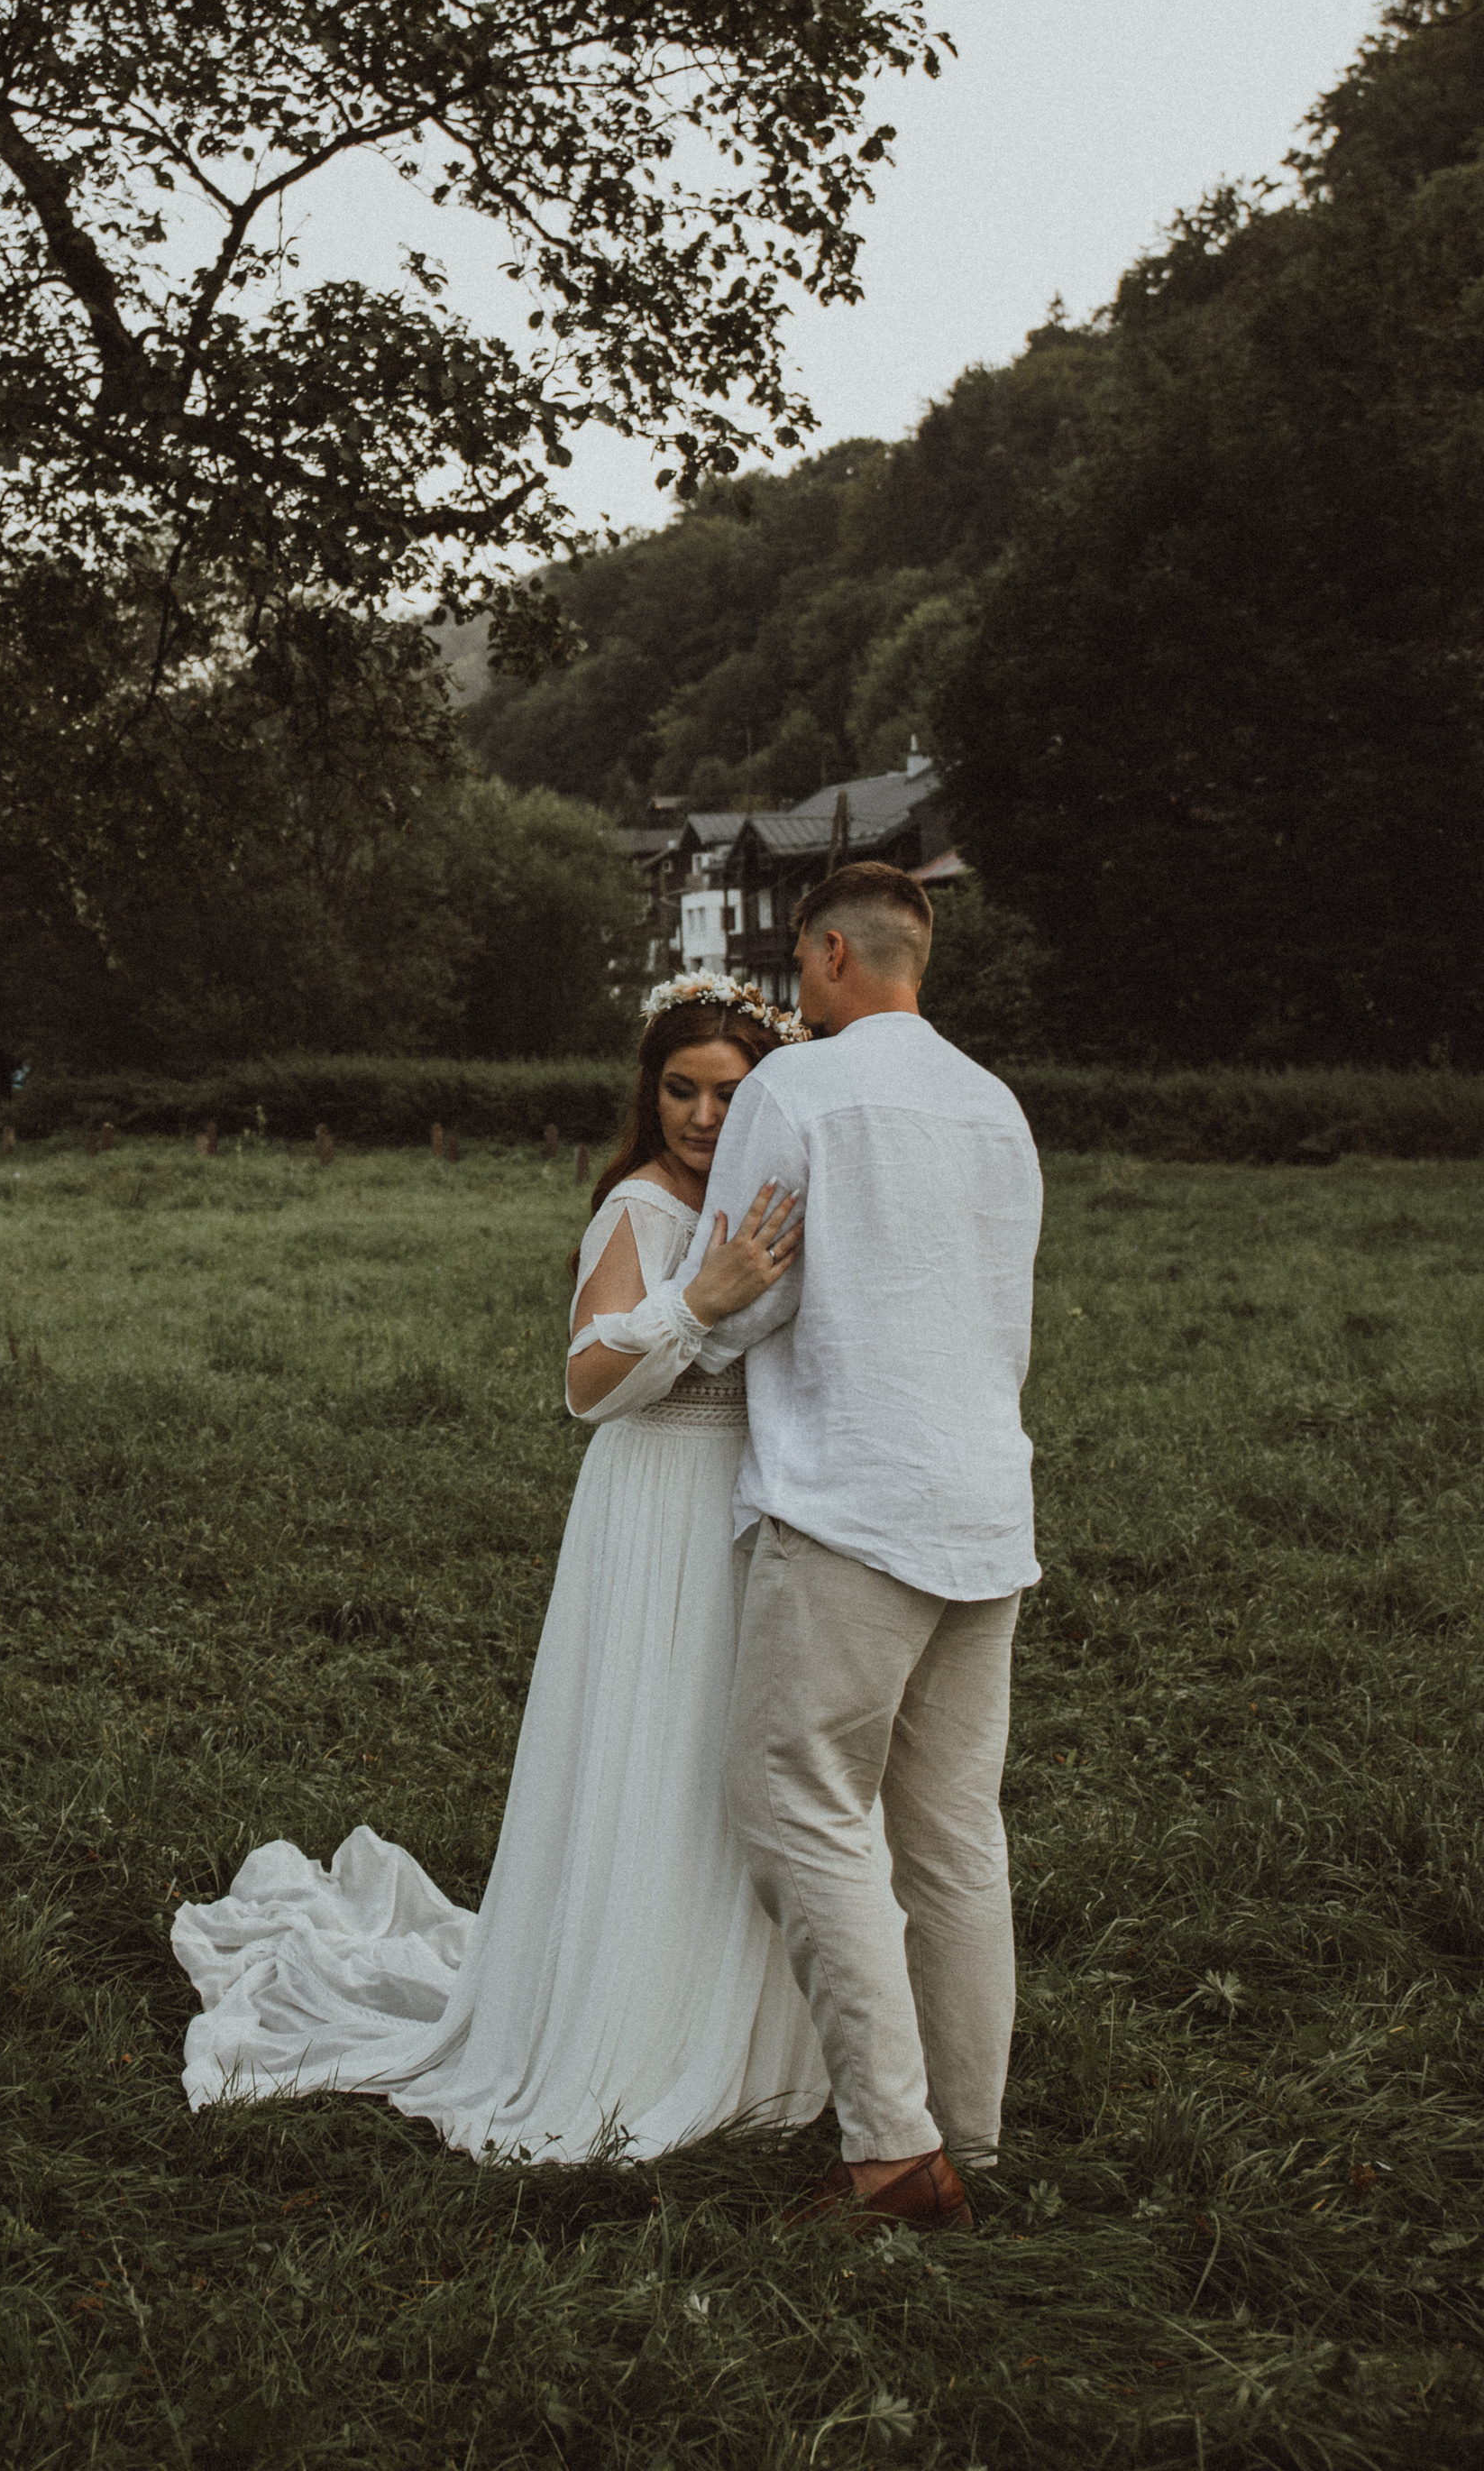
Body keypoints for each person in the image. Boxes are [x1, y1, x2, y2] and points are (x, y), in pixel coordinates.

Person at [171, 979, 828, 2164]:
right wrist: (697, 1301)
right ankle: (629, 2026)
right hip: (653, 1507)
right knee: (656, 1754)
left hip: (752, 1509)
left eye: (728, 1093)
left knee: (737, 1765)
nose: (701, 1116)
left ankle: (743, 2022)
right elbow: (587, 1383)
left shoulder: (770, 1197)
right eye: (679, 1090)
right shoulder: (641, 1206)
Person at [677, 861, 1044, 2235]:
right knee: (952, 1836)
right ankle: (971, 2139)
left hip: (853, 1503)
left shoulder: (797, 1089)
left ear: (829, 953)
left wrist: (691, 1318)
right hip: (985, 1508)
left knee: (794, 1799)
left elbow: (743, 1291)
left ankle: (891, 2155)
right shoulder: (996, 1108)